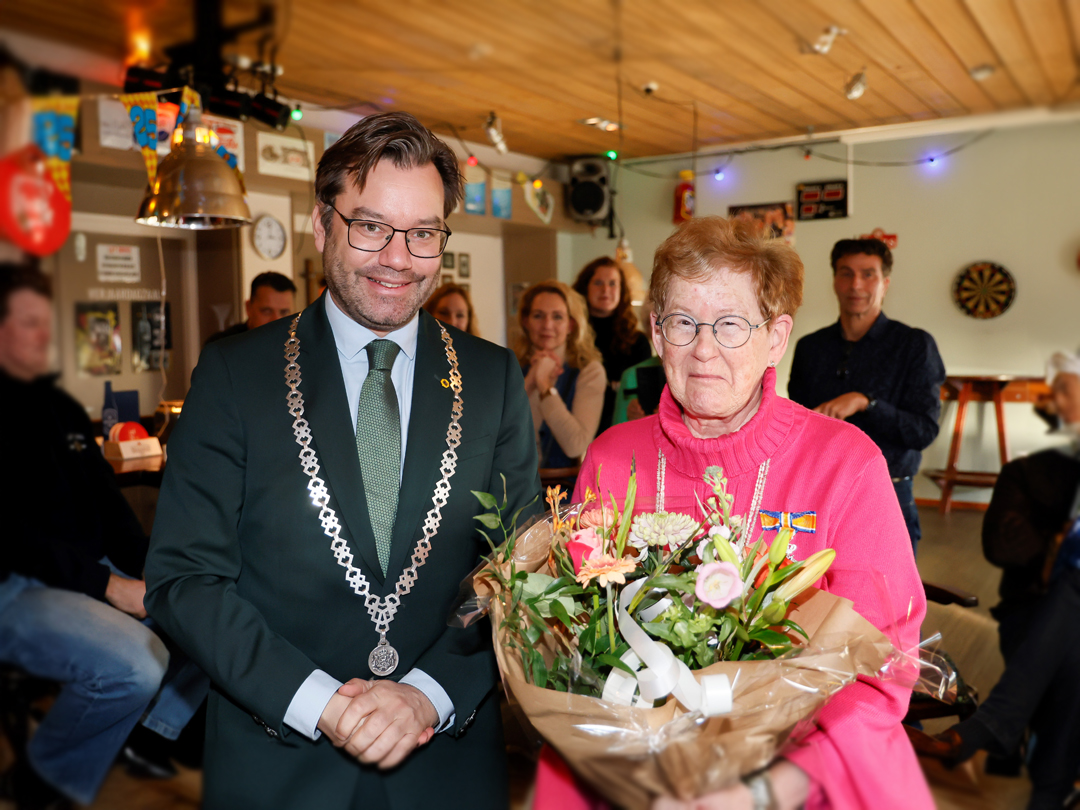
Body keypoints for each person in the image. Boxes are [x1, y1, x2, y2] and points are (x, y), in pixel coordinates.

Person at [145, 111, 540, 810]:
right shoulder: (236, 374)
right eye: (371, 226)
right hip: (280, 762)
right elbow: (186, 580)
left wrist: (425, 697)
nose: (397, 257)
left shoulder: (492, 377)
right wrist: (324, 704)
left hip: (444, 764)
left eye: (423, 233)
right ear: (323, 225)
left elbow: (521, 568)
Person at [535, 217, 932, 810]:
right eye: (683, 322)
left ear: (776, 338)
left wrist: (762, 793)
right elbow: (572, 642)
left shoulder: (845, 462)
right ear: (655, 332)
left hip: (806, 778)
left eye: (730, 324)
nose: (703, 349)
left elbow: (881, 666)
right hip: (633, 772)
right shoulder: (612, 457)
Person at [0, 263, 206, 809]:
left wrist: (151, 571)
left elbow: (108, 506)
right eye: (29, 323)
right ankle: (42, 781)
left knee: (208, 614)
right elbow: (13, 537)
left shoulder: (59, 407)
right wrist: (108, 587)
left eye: (47, 323)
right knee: (135, 666)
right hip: (15, 588)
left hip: (86, 572)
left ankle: (142, 736)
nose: (45, 336)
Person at [909, 352, 1080, 810]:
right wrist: (1059, 540)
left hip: (1058, 610)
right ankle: (1049, 788)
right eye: (1056, 389)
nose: (1060, 399)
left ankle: (995, 733)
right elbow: (1002, 548)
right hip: (1037, 608)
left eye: (1070, 387)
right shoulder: (1029, 470)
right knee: (1072, 654)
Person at [788, 238, 945, 556]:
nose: (856, 284)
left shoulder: (914, 345)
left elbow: (923, 431)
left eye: (868, 274)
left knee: (889, 603)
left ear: (885, 283)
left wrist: (865, 402)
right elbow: (798, 426)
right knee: (814, 601)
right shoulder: (810, 347)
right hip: (818, 495)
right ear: (834, 280)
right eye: (846, 273)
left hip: (889, 493)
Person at [515, 280, 606, 469]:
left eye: (557, 317)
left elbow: (576, 445)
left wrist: (544, 386)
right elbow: (495, 432)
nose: (547, 325)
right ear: (526, 322)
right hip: (510, 488)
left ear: (571, 325)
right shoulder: (511, 365)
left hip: (564, 492)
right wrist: (530, 380)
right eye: (538, 316)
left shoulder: (590, 371)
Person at [573, 257, 652, 431]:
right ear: (585, 287)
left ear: (621, 290)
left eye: (612, 283)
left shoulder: (637, 342)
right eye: (598, 283)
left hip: (621, 432)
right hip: (577, 429)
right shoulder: (572, 337)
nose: (605, 290)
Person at [204, 270, 297, 344]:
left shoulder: (303, 347)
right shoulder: (222, 347)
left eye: (284, 312)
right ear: (249, 308)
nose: (276, 320)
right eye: (267, 311)